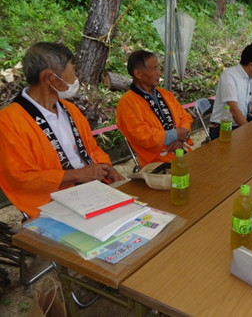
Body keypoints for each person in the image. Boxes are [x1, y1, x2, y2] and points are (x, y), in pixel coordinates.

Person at [0, 42, 125, 218]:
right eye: (72, 72)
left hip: (93, 191)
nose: (76, 79)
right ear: (50, 78)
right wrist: (77, 175)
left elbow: (92, 148)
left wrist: (108, 170)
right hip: (51, 204)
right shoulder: (8, 121)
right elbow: (21, 178)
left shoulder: (70, 109)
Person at [116, 50, 194, 168]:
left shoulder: (165, 94)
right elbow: (140, 135)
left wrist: (180, 137)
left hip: (182, 151)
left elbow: (185, 117)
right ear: (138, 74)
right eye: (154, 68)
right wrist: (174, 135)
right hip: (155, 162)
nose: (159, 73)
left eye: (158, 68)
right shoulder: (127, 102)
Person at [209, 42, 252, 140]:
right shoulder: (229, 76)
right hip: (224, 128)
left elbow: (243, 106)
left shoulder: (247, 78)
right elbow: (233, 110)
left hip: (237, 125)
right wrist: (250, 132)